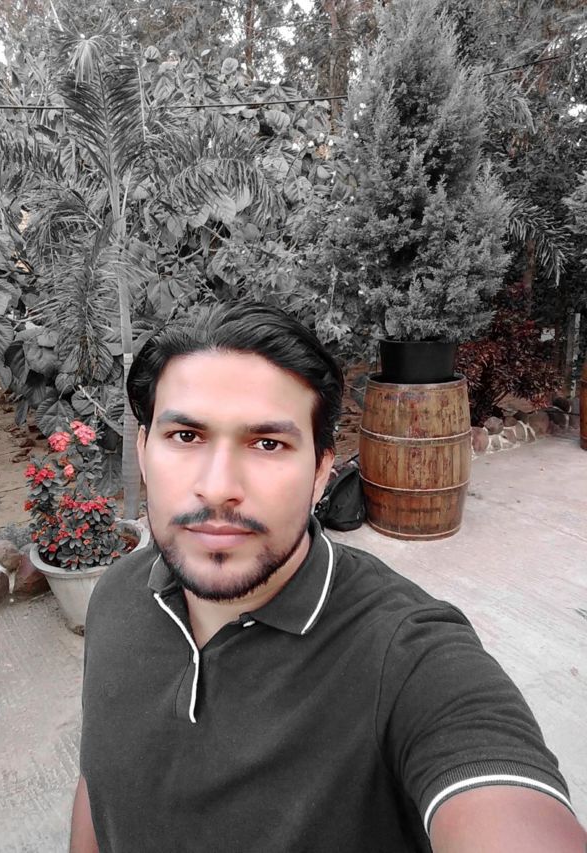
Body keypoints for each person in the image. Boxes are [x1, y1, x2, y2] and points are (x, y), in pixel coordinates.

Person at [70, 302, 586, 853]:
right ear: (144, 451)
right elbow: (100, 784)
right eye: (186, 436)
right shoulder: (115, 595)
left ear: (321, 472)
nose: (218, 487)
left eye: (268, 444)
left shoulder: (407, 659)